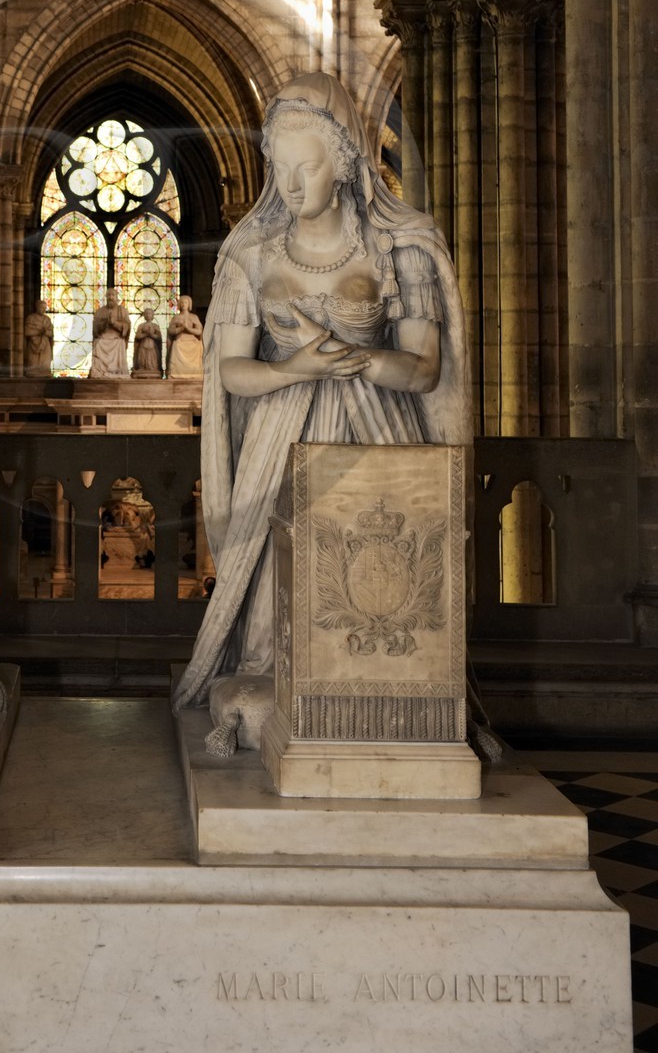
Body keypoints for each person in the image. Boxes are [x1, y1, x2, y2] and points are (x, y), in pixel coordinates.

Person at [172, 71, 469, 714]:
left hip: (379, 435)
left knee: (392, 572)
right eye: (278, 168)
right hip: (280, 436)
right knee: (274, 603)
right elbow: (231, 371)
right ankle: (278, 675)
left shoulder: (401, 248)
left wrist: (356, 359)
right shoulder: (250, 256)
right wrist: (295, 367)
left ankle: (394, 689)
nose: (289, 185)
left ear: (343, 161)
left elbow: (423, 370)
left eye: (304, 167)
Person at [89, 288, 130, 377]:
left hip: (117, 338)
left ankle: (117, 371)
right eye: (109, 295)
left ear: (117, 297)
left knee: (120, 342)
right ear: (106, 297)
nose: (111, 297)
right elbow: (95, 330)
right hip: (103, 339)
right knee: (98, 342)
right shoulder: (100, 311)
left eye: (113, 295)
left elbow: (127, 327)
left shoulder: (122, 311)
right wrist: (105, 323)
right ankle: (99, 371)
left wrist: (115, 323)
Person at [166, 294, 204, 377]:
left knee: (197, 346)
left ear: (189, 304)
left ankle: (195, 373)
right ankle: (176, 374)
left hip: (192, 341)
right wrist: (181, 329)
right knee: (176, 345)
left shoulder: (194, 317)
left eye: (186, 303)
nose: (184, 304)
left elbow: (199, 331)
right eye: (182, 303)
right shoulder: (176, 317)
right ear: (179, 304)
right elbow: (171, 331)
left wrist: (188, 329)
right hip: (180, 340)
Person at [23, 299, 54, 377]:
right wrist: (38, 331)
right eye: (42, 307)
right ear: (37, 307)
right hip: (33, 343)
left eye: (45, 308)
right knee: (32, 363)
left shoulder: (47, 319)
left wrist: (45, 332)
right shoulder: (31, 318)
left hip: (45, 344)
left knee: (45, 363)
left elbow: (50, 332)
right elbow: (27, 331)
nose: (43, 309)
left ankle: (44, 372)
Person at [132, 308, 163, 377]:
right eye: (147, 314)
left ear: (153, 315)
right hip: (143, 345)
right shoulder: (141, 326)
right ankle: (142, 368)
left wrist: (151, 335)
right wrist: (145, 334)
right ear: (144, 316)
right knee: (142, 358)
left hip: (152, 346)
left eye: (150, 314)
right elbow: (137, 336)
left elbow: (159, 338)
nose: (148, 315)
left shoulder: (155, 326)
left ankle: (153, 368)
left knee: (152, 359)